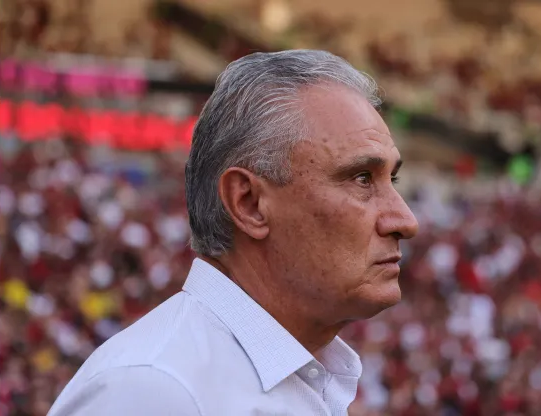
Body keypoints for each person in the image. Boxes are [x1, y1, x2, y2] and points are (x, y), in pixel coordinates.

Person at [47, 49, 419, 416]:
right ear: (249, 203)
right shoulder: (156, 390)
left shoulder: (298, 375)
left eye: (393, 178)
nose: (405, 220)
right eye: (361, 178)